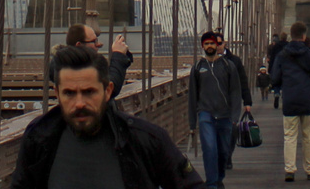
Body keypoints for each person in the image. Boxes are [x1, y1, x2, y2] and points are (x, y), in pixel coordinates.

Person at [11, 43, 201, 188]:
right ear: (57, 94)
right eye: (69, 93)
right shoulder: (38, 138)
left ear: (108, 91)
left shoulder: (145, 140)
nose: (79, 103)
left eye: (89, 92)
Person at [187, 30, 251, 189]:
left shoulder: (228, 66)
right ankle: (212, 184)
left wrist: (235, 116)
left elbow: (235, 92)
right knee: (209, 149)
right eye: (206, 44)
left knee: (223, 152)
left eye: (212, 43)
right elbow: (193, 96)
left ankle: (219, 177)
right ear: (203, 46)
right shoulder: (197, 67)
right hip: (205, 114)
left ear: (217, 45)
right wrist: (191, 123)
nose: (209, 46)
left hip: (225, 115)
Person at [269, 22, 310, 182]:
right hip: (307, 99)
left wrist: (280, 87)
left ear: (291, 35)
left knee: (290, 135)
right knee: (308, 136)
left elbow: (275, 77)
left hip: (290, 100)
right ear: (304, 36)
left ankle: (290, 170)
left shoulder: (282, 55)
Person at [50, 23, 134, 99]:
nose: (98, 44)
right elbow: (108, 88)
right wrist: (118, 55)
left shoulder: (67, 64)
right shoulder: (68, 67)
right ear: (79, 45)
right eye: (94, 41)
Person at [214, 33, 251, 174]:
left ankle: (227, 155)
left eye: (219, 43)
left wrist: (247, 101)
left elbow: (243, 80)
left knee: (232, 130)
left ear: (225, 43)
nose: (217, 46)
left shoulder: (234, 60)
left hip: (231, 102)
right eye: (214, 43)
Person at [264, 31, 289, 108]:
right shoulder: (289, 46)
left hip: (277, 67)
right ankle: (284, 97)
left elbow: (272, 58)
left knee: (276, 83)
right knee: (285, 83)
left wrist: (270, 68)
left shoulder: (276, 47)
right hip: (286, 68)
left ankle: (276, 94)